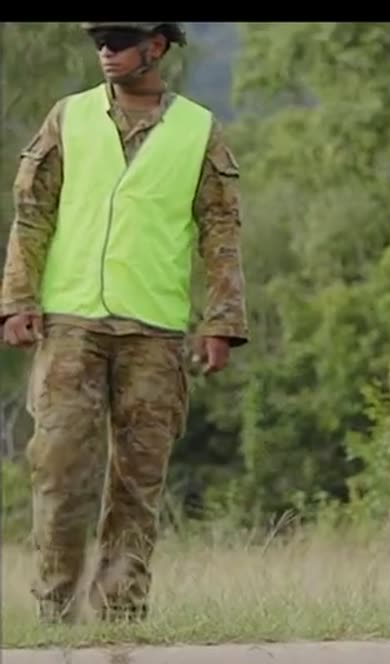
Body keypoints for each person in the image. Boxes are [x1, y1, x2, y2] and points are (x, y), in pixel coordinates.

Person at [0, 21, 249, 623]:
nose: (106, 52)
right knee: (59, 469)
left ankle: (120, 616)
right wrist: (17, 299)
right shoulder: (69, 116)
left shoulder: (198, 129)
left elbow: (221, 232)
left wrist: (221, 321)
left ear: (156, 47)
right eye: (99, 43)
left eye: (119, 41)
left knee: (139, 481)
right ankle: (54, 612)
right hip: (70, 325)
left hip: (155, 332)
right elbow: (32, 212)